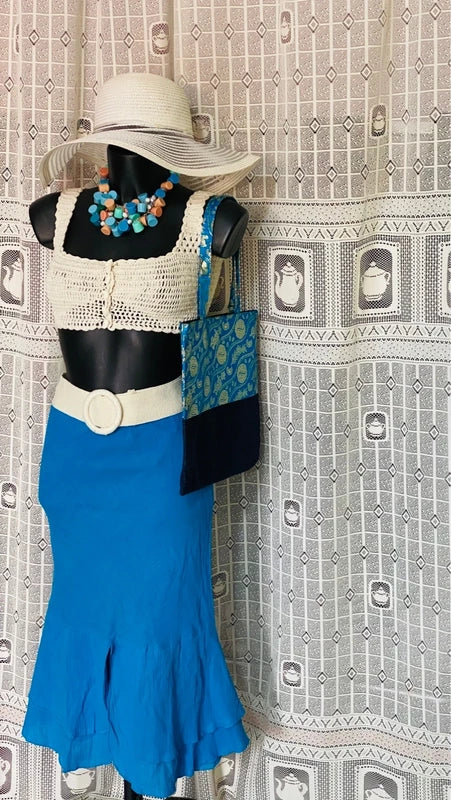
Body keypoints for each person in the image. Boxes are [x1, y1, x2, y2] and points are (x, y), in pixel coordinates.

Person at [21, 71, 260, 799]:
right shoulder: (53, 215)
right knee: (84, 607)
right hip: (74, 454)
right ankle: (100, 745)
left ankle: (150, 773)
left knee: (159, 615)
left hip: (162, 456)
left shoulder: (212, 220)